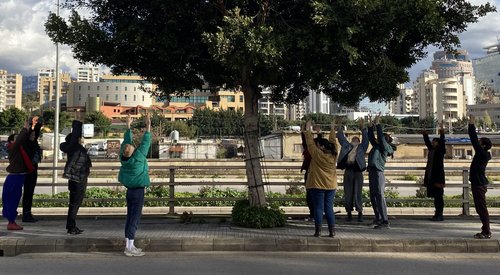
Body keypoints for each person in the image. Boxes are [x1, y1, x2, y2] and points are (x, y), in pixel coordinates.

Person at [119, 114, 151, 256]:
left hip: (129, 191)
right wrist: (148, 125)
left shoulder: (124, 158)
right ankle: (130, 247)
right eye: (132, 147)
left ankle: (128, 244)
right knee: (135, 218)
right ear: (133, 152)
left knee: (129, 217)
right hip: (138, 191)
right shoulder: (139, 158)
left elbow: (127, 141)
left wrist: (128, 126)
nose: (132, 145)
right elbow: (146, 142)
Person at [302, 119, 338, 237]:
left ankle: (318, 231)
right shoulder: (334, 154)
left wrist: (308, 130)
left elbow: (309, 143)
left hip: (317, 185)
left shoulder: (317, 154)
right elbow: (333, 141)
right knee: (329, 208)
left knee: (318, 208)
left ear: (321, 147)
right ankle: (332, 231)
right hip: (331, 186)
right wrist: (332, 129)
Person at [60, 120, 92, 235]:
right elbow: (75, 136)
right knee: (75, 204)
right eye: (79, 137)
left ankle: (71, 226)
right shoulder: (74, 147)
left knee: (75, 204)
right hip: (78, 180)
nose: (81, 139)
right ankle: (71, 227)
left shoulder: (74, 148)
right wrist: (77, 124)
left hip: (77, 179)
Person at [2, 119, 34, 230]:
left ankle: (11, 221)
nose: (18, 140)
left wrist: (29, 128)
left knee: (13, 199)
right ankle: (11, 222)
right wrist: (24, 128)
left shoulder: (18, 149)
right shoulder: (14, 148)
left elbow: (23, 139)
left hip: (17, 177)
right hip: (15, 178)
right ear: (11, 141)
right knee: (12, 200)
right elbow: (21, 139)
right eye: (15, 139)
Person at [367, 114, 396, 229]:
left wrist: (378, 125)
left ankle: (385, 220)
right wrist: (370, 127)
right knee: (373, 196)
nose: (380, 139)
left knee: (379, 195)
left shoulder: (385, 147)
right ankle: (378, 218)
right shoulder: (377, 146)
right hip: (372, 172)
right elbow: (371, 138)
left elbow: (379, 137)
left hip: (378, 172)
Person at [337, 118, 368, 222]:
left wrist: (363, 127)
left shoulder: (361, 147)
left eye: (356, 139)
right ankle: (349, 213)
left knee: (358, 193)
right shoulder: (347, 146)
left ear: (358, 141)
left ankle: (360, 213)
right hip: (349, 170)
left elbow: (366, 139)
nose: (355, 140)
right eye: (353, 139)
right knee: (348, 192)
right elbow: (341, 137)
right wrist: (339, 126)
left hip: (358, 171)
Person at [468, 115, 492, 239]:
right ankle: (485, 230)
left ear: (482, 145)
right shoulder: (483, 154)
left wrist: (471, 124)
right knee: (480, 208)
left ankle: (486, 232)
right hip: (478, 183)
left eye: (480, 142)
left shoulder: (482, 153)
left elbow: (473, 138)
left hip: (479, 184)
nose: (477, 144)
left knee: (482, 208)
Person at [422, 123, 446, 221]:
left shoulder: (440, 151)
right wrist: (424, 134)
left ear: (438, 143)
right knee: (436, 197)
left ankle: (439, 214)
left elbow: (443, 142)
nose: (432, 143)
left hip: (438, 177)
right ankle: (437, 213)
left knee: (439, 197)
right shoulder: (432, 150)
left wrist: (442, 132)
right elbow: (427, 143)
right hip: (432, 177)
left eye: (434, 142)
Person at [22, 117, 43, 223]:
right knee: (28, 192)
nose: (35, 137)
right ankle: (26, 214)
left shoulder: (32, 142)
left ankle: (28, 213)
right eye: (33, 135)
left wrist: (39, 124)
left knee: (30, 192)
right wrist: (30, 125)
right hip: (28, 171)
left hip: (33, 170)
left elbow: (36, 133)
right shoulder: (27, 144)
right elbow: (29, 133)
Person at [300, 124, 321, 221]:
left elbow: (307, 142)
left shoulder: (319, 152)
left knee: (314, 194)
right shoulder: (309, 149)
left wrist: (318, 133)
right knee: (310, 195)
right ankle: (313, 213)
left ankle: (315, 214)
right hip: (310, 173)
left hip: (315, 174)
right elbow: (305, 141)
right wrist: (304, 131)